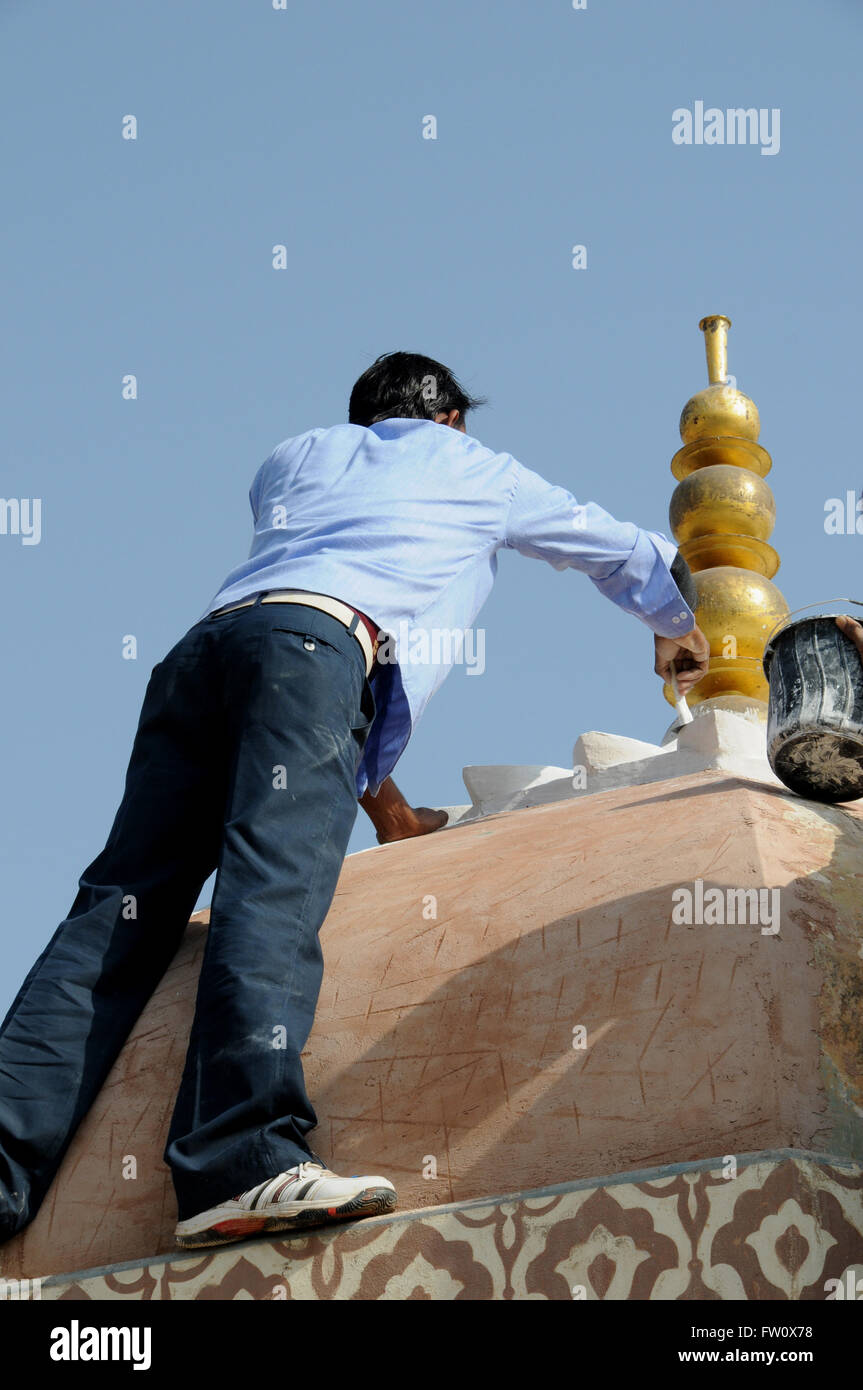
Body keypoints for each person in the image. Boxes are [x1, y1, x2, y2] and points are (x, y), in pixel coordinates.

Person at [0, 351, 709, 1251]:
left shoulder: (292, 458)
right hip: (314, 653)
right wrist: (679, 631)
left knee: (116, 913)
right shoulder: (471, 468)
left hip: (204, 656)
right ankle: (236, 1162)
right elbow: (620, 550)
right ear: (449, 419)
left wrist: (385, 807)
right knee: (272, 893)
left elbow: (317, 617)